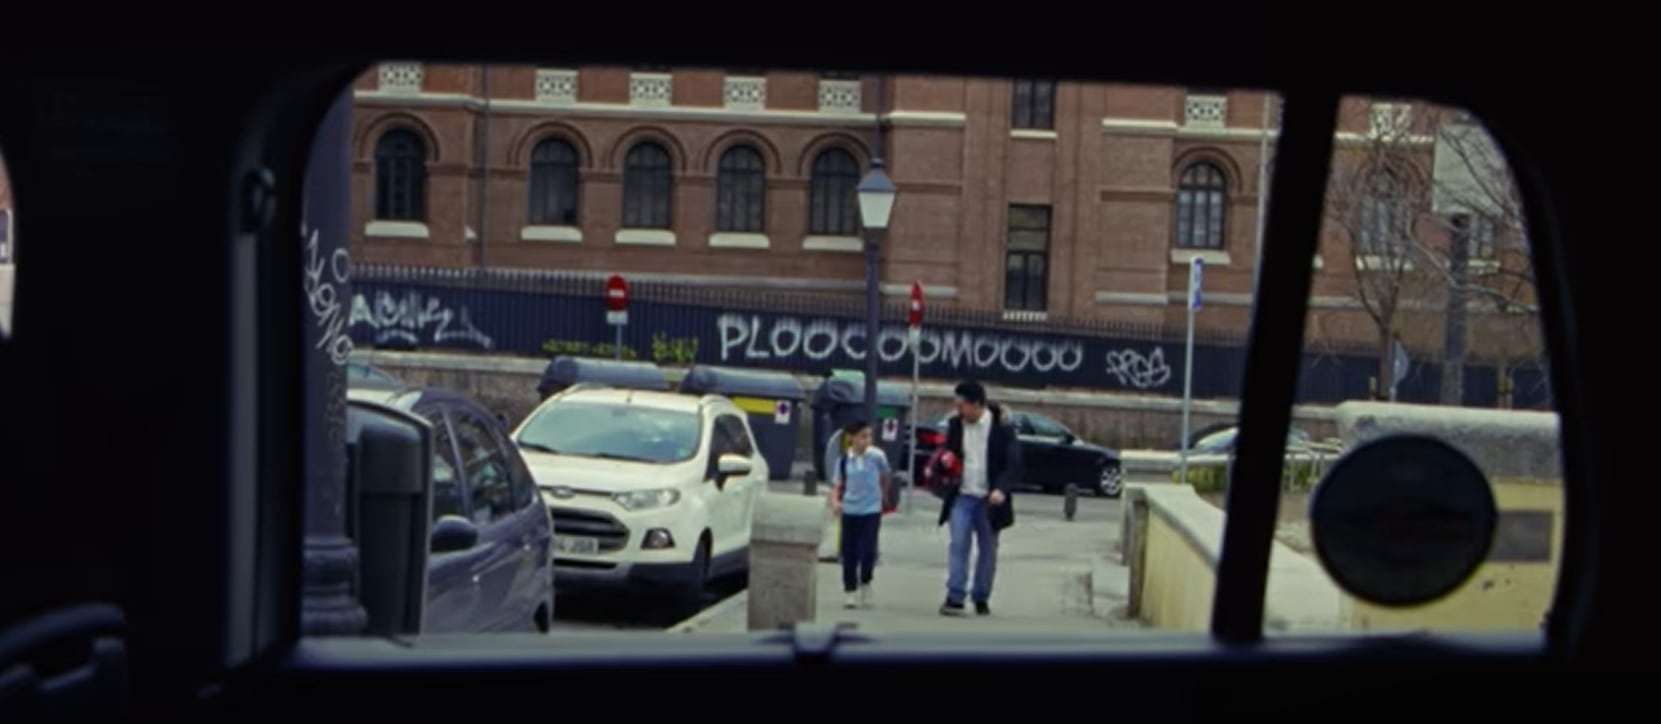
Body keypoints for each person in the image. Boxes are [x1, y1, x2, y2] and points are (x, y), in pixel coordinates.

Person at [932, 380, 1019, 617]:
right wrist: (945, 462)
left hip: (989, 499)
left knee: (988, 549)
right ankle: (955, 597)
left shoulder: (1002, 428)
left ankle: (981, 596)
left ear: (977, 405)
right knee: (958, 544)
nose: (958, 411)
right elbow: (947, 453)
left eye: (962, 406)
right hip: (962, 495)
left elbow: (1011, 464)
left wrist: (1001, 489)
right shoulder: (955, 425)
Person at [831, 420, 890, 609]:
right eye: (863, 436)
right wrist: (835, 502)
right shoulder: (843, 460)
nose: (867, 441)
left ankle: (866, 581)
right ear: (852, 438)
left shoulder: (877, 456)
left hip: (871, 509)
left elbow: (885, 475)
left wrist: (884, 497)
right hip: (850, 509)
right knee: (849, 552)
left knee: (867, 550)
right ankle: (850, 589)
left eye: (869, 436)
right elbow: (837, 484)